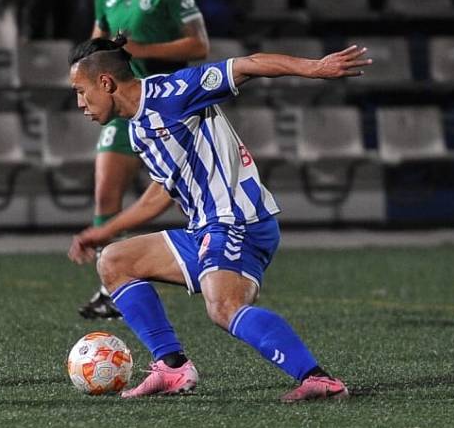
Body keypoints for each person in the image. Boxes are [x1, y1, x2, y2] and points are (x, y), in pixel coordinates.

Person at [67, 36, 368, 402]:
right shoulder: (138, 129)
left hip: (238, 220)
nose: (80, 104)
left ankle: (318, 379)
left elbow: (246, 65)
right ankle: (173, 368)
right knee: (115, 261)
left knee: (223, 307)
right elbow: (162, 192)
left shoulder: (171, 92)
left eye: (81, 92)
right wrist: (103, 233)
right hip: (206, 229)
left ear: (106, 82)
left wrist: (315, 68)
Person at [79, 0, 210, 320]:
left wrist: (141, 51)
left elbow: (199, 46)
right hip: (121, 104)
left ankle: (217, 264)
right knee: (105, 192)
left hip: (165, 105)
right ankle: (110, 286)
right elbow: (98, 44)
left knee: (182, 196)